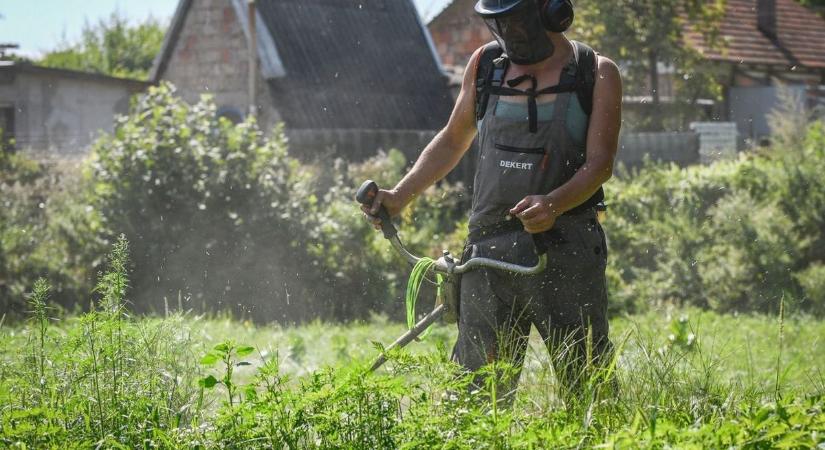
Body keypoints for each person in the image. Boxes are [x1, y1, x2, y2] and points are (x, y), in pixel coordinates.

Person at [362, 0, 622, 402]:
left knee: (588, 388)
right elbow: (453, 138)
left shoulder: (595, 73)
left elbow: (600, 164)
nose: (511, 33)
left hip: (566, 254)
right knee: (474, 397)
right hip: (487, 256)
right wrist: (400, 195)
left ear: (552, 11)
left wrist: (553, 204)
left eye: (518, 21)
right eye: (502, 24)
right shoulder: (486, 66)